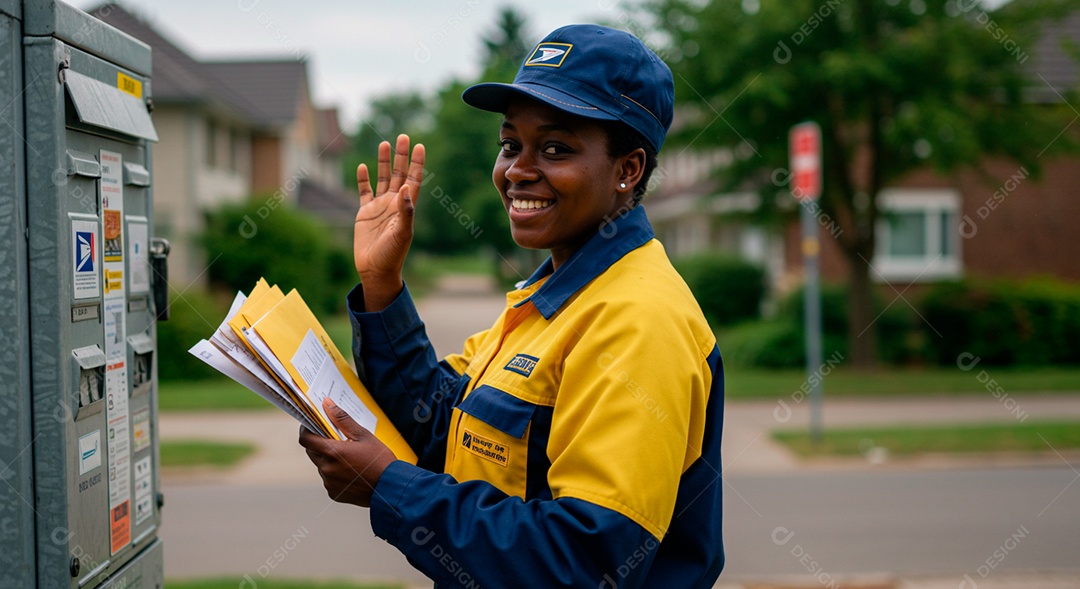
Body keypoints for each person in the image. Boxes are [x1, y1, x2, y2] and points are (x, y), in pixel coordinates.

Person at [300, 24, 725, 588]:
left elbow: (584, 560)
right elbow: (441, 422)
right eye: (510, 145)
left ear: (628, 169)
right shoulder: (553, 296)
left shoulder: (639, 320)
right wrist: (382, 285)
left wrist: (389, 488)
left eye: (555, 148)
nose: (518, 170)